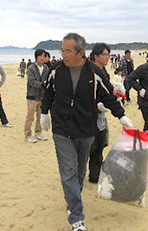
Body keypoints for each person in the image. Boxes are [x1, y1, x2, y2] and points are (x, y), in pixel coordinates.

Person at [40, 33, 133, 231]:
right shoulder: (56, 70)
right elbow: (48, 91)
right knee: (68, 171)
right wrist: (44, 113)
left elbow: (108, 95)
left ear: (81, 53)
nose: (63, 55)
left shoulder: (93, 72)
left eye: (67, 51)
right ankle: (76, 218)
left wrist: (121, 116)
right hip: (62, 129)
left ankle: (72, 199)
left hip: (86, 129)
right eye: (62, 50)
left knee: (80, 170)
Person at [88, 43, 111, 183]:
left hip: (101, 116)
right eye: (104, 54)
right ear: (95, 56)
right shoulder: (89, 71)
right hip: (88, 115)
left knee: (100, 144)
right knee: (89, 146)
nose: (107, 57)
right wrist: (97, 104)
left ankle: (94, 175)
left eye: (108, 54)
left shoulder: (105, 73)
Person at [24, 49, 49, 143]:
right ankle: (27, 135)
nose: (43, 58)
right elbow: (31, 81)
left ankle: (38, 132)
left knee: (40, 116)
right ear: (36, 57)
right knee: (30, 116)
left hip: (42, 96)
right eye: (41, 56)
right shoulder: (31, 68)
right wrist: (42, 84)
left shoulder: (46, 68)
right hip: (32, 96)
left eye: (44, 56)